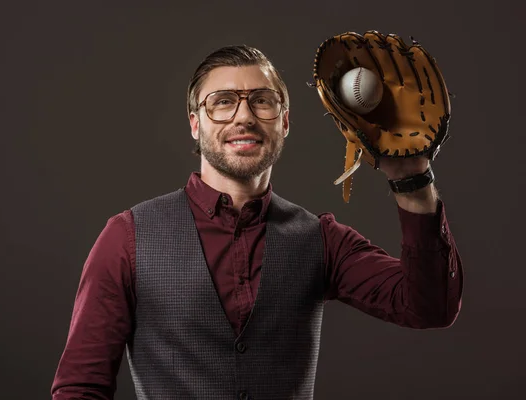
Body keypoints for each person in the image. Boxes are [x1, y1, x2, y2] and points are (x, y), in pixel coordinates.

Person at [51, 45, 463, 400]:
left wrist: (412, 179)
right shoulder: (127, 237)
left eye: (262, 101)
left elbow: (428, 308)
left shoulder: (321, 239)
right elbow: (80, 387)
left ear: (284, 122)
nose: (243, 116)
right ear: (195, 123)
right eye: (223, 101)